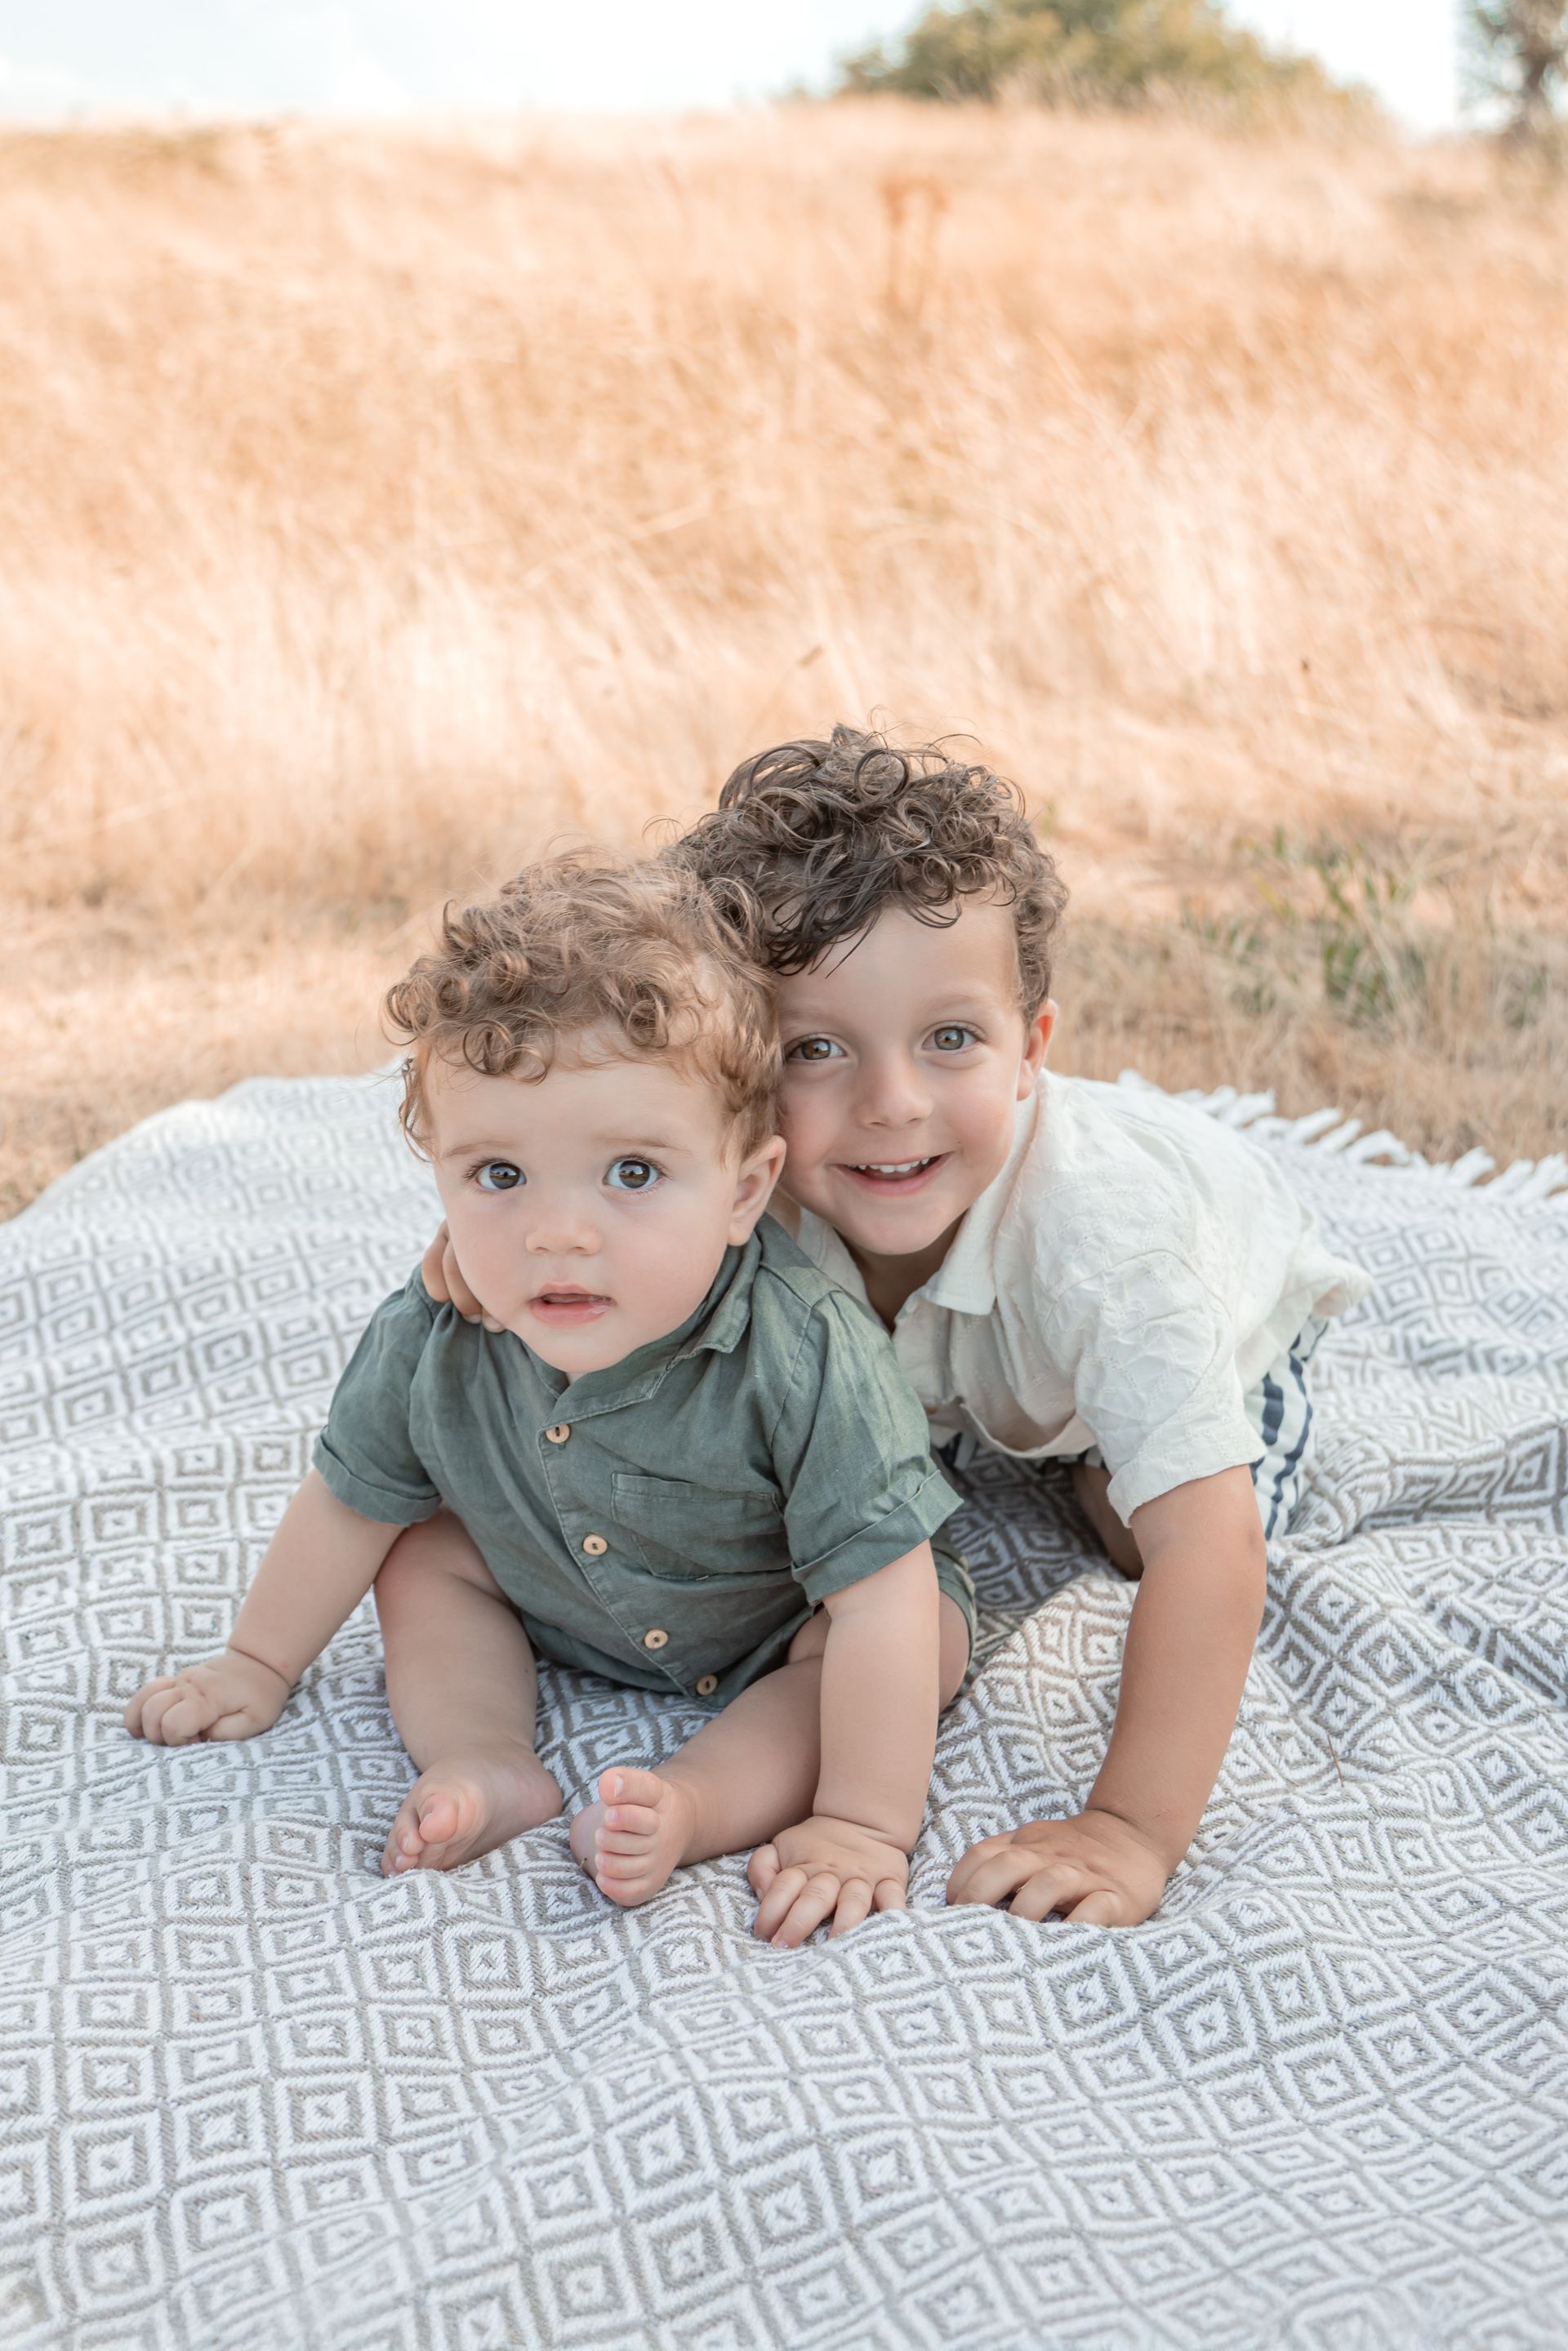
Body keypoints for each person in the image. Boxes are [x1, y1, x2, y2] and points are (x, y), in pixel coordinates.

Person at [427, 730, 1370, 1928]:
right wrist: (497, 1256)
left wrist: (1128, 1831)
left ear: (1032, 1048)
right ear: (742, 1079)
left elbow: (1212, 1551)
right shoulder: (753, 1177)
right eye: (817, 1049)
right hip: (952, 1357)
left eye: (952, 1039)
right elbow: (592, 1182)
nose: (893, 1104)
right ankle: (975, 1424)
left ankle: (1079, 1461)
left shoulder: (1113, 1251)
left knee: (1141, 1529)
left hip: (1226, 1325)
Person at [122, 853, 974, 1948]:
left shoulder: (803, 1350)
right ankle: (485, 1756)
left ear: (745, 1190)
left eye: (630, 1173)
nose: (556, 1231)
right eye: (499, 1176)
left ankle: (693, 1804)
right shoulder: (435, 1331)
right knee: (421, 1549)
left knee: (915, 1640)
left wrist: (865, 1825)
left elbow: (879, 1599)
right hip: (555, 1582)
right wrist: (257, 1661)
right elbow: (348, 1499)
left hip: (789, 1617)